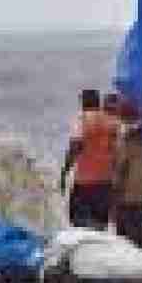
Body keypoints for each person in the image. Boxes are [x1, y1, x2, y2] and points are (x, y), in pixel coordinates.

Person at [60, 89, 119, 229]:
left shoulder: (83, 119)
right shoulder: (112, 121)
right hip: (106, 181)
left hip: (85, 181)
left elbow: (75, 146)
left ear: (84, 102)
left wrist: (65, 172)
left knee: (78, 221)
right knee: (100, 223)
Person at [112, 102, 142, 247]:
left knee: (123, 234)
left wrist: (115, 188)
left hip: (126, 193)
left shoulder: (125, 138)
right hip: (141, 192)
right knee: (138, 230)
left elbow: (122, 165)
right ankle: (139, 255)